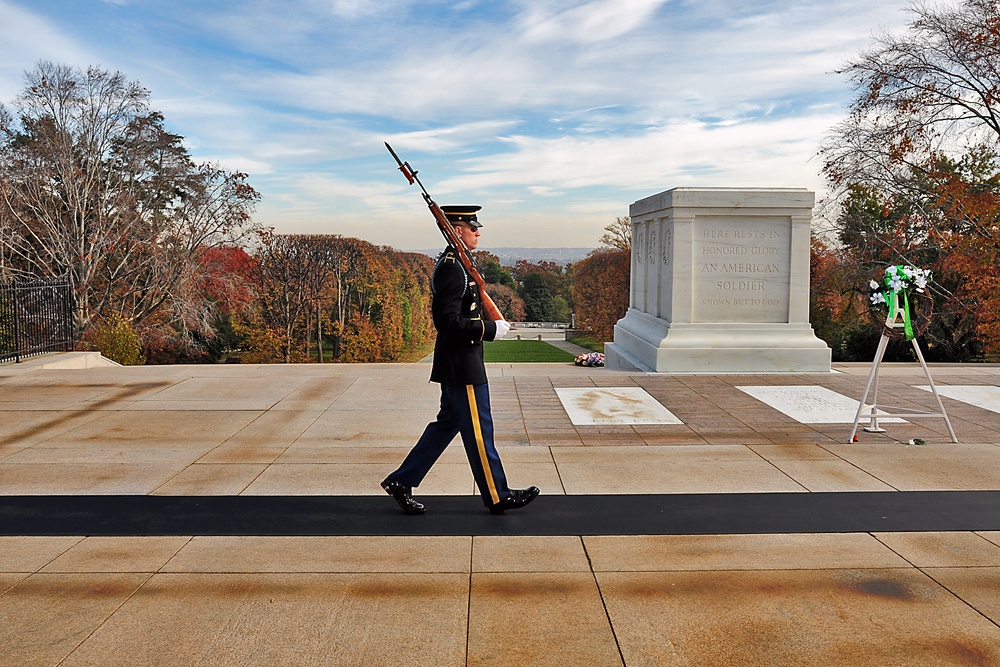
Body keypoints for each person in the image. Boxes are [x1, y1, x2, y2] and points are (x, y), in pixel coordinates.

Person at [381, 205, 540, 515]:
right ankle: (498, 495)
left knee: (448, 423)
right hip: (462, 364)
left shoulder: (460, 264)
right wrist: (490, 328)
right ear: (455, 230)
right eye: (472, 227)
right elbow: (448, 323)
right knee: (480, 429)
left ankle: (401, 481)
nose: (478, 231)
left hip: (461, 360)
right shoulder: (452, 268)